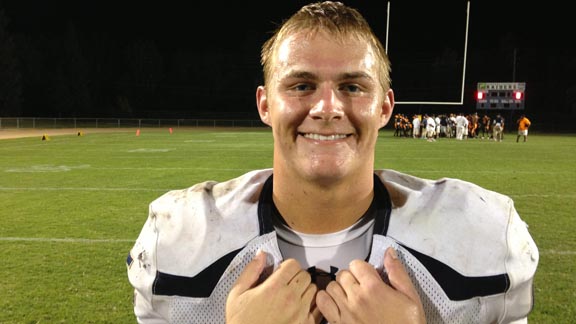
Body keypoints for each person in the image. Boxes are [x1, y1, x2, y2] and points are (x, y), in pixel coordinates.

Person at [126, 2, 539, 323]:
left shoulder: (483, 233)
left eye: (352, 86)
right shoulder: (179, 239)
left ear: (384, 107)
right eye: (302, 85)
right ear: (265, 104)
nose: (327, 107)